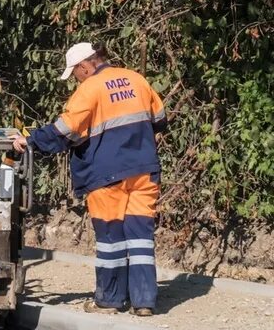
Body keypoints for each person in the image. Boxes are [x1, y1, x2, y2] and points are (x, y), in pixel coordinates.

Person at [13, 42, 167, 316]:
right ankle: (144, 301)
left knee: (111, 238)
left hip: (107, 174)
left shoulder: (90, 89)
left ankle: (109, 300)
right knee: (140, 237)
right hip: (144, 169)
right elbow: (160, 119)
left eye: (75, 74)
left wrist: (30, 140)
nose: (76, 79)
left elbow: (66, 129)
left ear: (85, 66)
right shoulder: (136, 79)